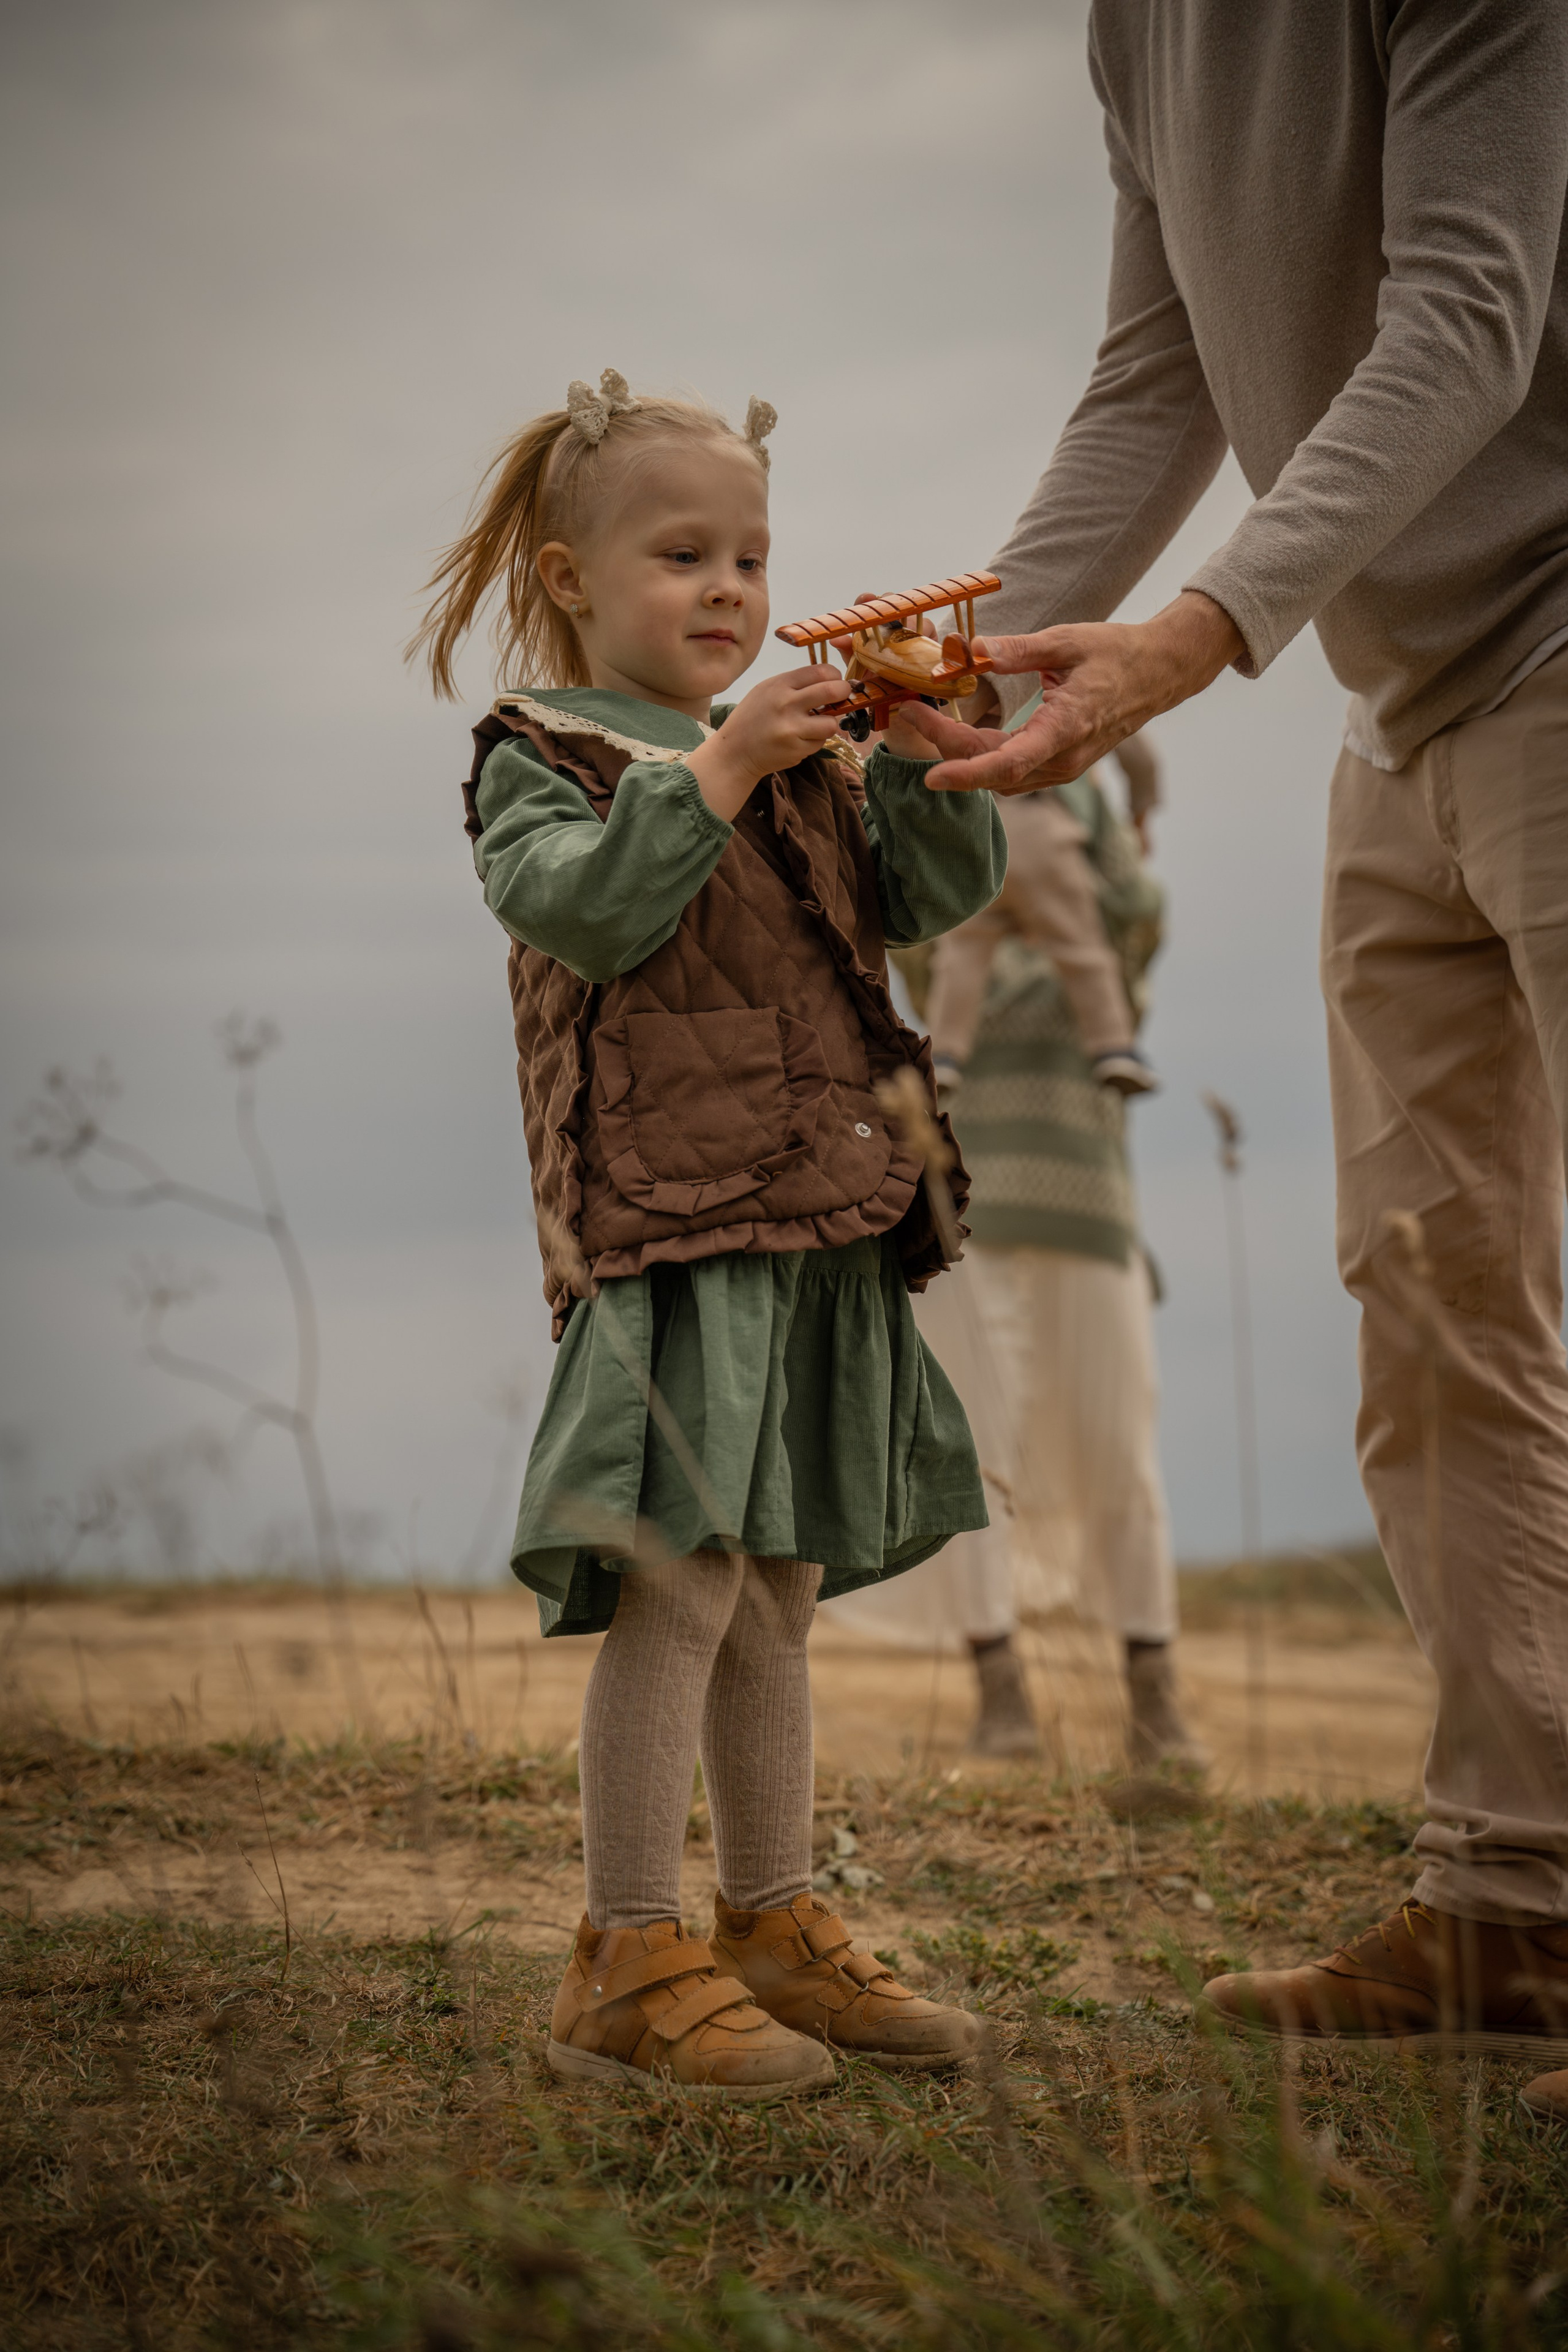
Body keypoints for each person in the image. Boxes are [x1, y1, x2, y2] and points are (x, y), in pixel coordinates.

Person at [899, 9, 1568, 2113]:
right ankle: (1514, 1899)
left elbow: (1472, 303)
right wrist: (962, 656)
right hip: (1405, 705)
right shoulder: (1138, 20)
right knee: (1434, 1298)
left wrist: (1200, 634)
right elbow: (1161, 367)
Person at [410, 371, 1006, 2097]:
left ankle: (772, 1919)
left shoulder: (805, 755)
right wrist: (726, 766)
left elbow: (930, 896)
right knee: (684, 1576)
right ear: (571, 574)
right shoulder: (541, 755)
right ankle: (621, 1947)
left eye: (751, 554)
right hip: (671, 1231)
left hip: (821, 1214)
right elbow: (588, 911)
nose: (734, 590)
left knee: (785, 1586)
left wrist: (932, 762)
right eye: (685, 554)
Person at [827, 723, 1204, 1773]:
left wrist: (1084, 777)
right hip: (970, 1227)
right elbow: (907, 928)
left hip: (1093, 1222)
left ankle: (1155, 1705)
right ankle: (1004, 1702)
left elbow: (1131, 905)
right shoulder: (955, 950)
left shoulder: (1115, 944)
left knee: (1123, 1453)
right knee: (980, 1463)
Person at [925, 737, 1160, 1104]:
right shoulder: (1060, 688)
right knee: (1081, 948)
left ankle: (943, 1055)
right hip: (1042, 827)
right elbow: (1139, 756)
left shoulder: (963, 685)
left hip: (975, 829)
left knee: (962, 953)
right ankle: (1114, 1049)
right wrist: (1140, 815)